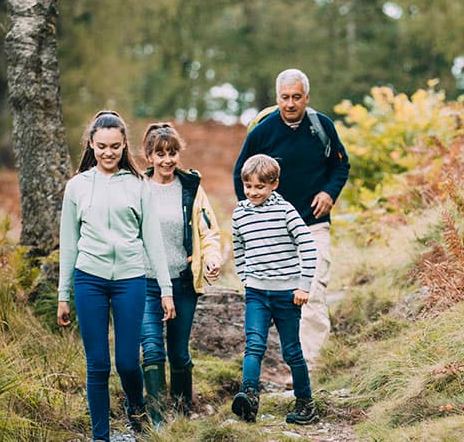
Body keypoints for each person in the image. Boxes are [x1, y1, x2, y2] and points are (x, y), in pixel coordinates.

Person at [57, 111, 176, 441]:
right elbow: (69, 244)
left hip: (130, 280)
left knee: (126, 361)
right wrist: (62, 295)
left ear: (124, 146)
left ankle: (135, 407)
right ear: (91, 145)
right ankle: (100, 437)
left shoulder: (138, 186)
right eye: (101, 146)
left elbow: (152, 241)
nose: (108, 153)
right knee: (97, 366)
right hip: (89, 279)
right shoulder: (77, 187)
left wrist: (165, 289)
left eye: (114, 146)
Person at [232, 68, 350, 366]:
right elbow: (240, 175)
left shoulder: (321, 126)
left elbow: (341, 165)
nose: (290, 104)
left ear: (306, 98)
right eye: (285, 97)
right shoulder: (263, 132)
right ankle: (288, 362)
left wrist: (329, 193)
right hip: (275, 230)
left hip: (313, 223)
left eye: (297, 97)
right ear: (277, 97)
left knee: (312, 290)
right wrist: (252, 216)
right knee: (282, 297)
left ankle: (312, 367)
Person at [138, 122, 222, 424]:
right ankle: (160, 422)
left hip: (182, 282)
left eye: (172, 153)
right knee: (151, 349)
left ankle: (184, 413)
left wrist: (212, 258)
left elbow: (209, 231)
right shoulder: (138, 188)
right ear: (148, 156)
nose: (166, 160)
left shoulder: (191, 189)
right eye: (159, 154)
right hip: (145, 283)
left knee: (178, 352)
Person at [231, 154, 319, 425]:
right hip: (256, 292)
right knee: (253, 345)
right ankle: (249, 397)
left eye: (259, 187)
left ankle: (306, 402)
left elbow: (308, 245)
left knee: (291, 351)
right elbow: (239, 247)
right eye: (248, 186)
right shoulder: (239, 213)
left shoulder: (286, 211)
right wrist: (245, 276)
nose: (253, 192)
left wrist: (303, 286)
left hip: (287, 293)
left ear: (274, 184)